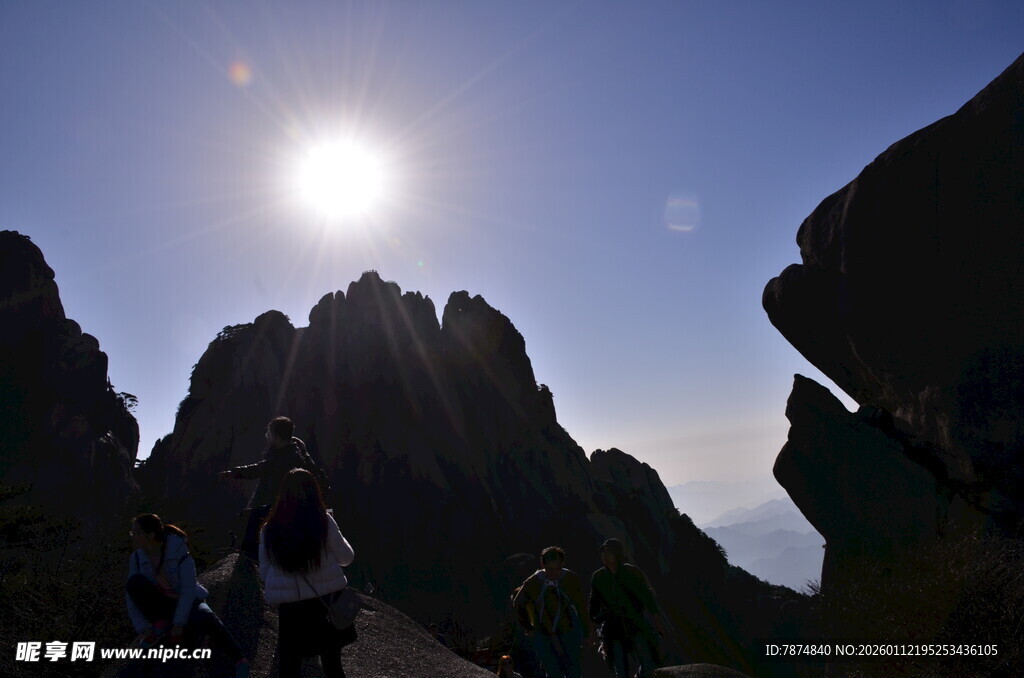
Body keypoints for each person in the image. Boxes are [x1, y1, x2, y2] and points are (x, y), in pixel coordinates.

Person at [125, 514, 250, 678]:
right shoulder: (136, 558)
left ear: (151, 535)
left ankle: (240, 660)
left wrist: (179, 623)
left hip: (186, 599)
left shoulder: (177, 549)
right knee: (134, 583)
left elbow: (188, 589)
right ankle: (160, 624)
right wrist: (143, 629)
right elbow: (131, 597)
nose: (133, 536)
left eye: (137, 532)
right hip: (162, 604)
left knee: (207, 618)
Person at [259, 468, 355, 678]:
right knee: (332, 665)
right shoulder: (323, 521)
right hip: (324, 602)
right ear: (314, 492)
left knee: (289, 667)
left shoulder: (269, 529)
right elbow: (346, 558)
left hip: (290, 610)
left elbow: (265, 571)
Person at [219, 416, 329, 558]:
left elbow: (259, 469)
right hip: (288, 506)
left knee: (250, 527)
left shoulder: (286, 458)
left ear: (276, 436)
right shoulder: (294, 451)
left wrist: (233, 473)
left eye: (269, 433)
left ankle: (250, 561)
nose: (267, 436)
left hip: (280, 507)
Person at [589, 538, 665, 678]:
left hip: (635, 624)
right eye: (603, 552)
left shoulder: (632, 572)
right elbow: (594, 604)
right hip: (612, 629)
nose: (605, 555)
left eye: (609, 552)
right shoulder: (599, 577)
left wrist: (657, 621)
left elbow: (647, 597)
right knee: (621, 669)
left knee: (648, 664)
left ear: (617, 554)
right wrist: (592, 631)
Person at [512, 546, 591, 678]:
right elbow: (518, 602)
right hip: (543, 633)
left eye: (558, 569)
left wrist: (587, 633)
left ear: (562, 564)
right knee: (552, 671)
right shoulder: (534, 581)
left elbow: (581, 606)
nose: (554, 573)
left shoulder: (570, 578)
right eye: (550, 569)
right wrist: (528, 627)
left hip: (568, 630)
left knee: (573, 670)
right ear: (543, 565)